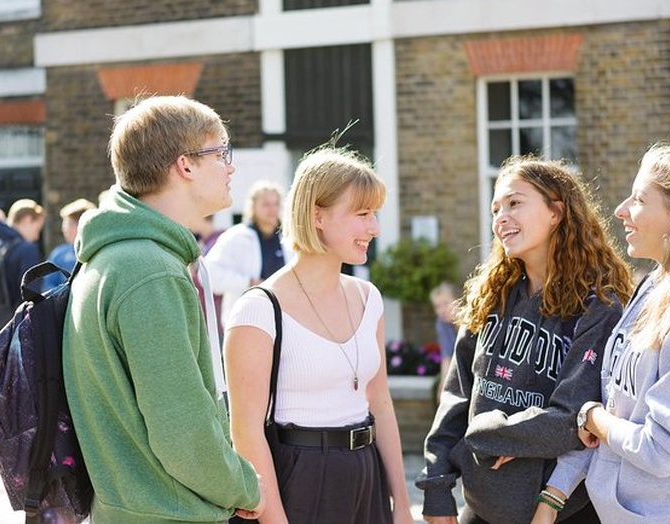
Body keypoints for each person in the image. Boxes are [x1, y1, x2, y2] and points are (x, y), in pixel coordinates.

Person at [62, 95, 265, 524]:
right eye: (221, 151)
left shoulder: (114, 258)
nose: (231, 166)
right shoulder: (149, 272)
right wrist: (246, 487)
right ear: (185, 165)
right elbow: (183, 434)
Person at [536, 140, 670, 524]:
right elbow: (616, 401)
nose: (620, 211)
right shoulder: (655, 286)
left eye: (639, 200)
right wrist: (554, 494)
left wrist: (592, 419)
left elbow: (665, 449)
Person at [417, 156, 633, 524]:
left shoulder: (599, 306)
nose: (501, 217)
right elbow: (457, 399)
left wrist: (484, 434)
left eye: (515, 203)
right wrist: (437, 488)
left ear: (557, 212)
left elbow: (573, 418)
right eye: (495, 208)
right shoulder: (492, 296)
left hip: (560, 513)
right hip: (481, 507)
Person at [224, 145, 413, 523]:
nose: (374, 227)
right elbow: (245, 432)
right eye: (362, 214)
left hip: (366, 472)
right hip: (299, 480)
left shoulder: (367, 297)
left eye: (374, 214)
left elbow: (380, 403)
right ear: (317, 216)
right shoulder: (259, 309)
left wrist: (403, 507)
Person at [207, 180, 293, 322]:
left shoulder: (289, 238)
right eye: (266, 204)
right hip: (246, 318)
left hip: (283, 317)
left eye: (276, 204)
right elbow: (211, 273)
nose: (272, 209)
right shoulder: (236, 236)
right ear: (252, 206)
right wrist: (248, 282)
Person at [0, 198, 45, 310]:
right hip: (17, 322)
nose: (37, 237)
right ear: (27, 220)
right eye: (37, 229)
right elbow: (32, 296)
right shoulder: (27, 250)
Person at [47, 197, 96, 273]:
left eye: (70, 224)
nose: (64, 229)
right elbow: (49, 283)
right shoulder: (59, 255)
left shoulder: (98, 253)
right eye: (64, 225)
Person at [430, 281, 459, 400]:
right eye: (437, 306)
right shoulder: (442, 323)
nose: (442, 310)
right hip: (456, 368)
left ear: (458, 301)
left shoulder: (473, 320)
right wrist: (443, 386)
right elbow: (447, 357)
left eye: (446, 303)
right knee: (437, 386)